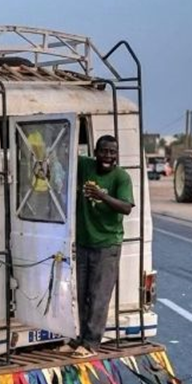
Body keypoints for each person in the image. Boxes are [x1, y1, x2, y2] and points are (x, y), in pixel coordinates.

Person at [61, 135, 134, 358]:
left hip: (107, 244)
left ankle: (91, 343)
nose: (108, 156)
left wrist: (103, 196)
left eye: (112, 152)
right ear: (95, 151)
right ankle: (80, 339)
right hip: (84, 242)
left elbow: (126, 207)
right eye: (103, 151)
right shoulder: (86, 166)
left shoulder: (121, 177)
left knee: (99, 295)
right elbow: (67, 152)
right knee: (82, 294)